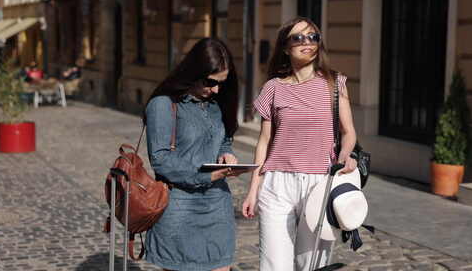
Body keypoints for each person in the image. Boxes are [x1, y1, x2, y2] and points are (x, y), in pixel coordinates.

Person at [241, 17, 359, 271]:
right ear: (285, 47)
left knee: (313, 263)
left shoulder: (334, 84)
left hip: (319, 182)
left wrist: (343, 156)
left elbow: (349, 132)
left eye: (313, 37)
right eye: (299, 37)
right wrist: (253, 190)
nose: (307, 42)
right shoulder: (272, 88)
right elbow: (263, 142)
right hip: (277, 183)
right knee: (273, 264)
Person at [144, 38, 243, 271]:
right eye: (210, 82)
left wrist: (226, 154)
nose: (216, 89)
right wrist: (207, 177)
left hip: (217, 205)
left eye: (221, 83)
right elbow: (160, 160)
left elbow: (224, 139)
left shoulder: (215, 104)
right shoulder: (163, 104)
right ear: (193, 72)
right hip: (179, 207)